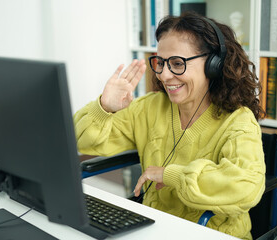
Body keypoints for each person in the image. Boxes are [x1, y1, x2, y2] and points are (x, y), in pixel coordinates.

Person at [74, 12, 266, 240]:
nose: (164, 75)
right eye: (161, 63)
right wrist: (105, 107)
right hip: (153, 230)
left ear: (214, 64)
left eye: (177, 63)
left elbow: (246, 187)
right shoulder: (149, 108)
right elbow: (82, 140)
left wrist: (172, 175)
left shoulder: (238, 121)